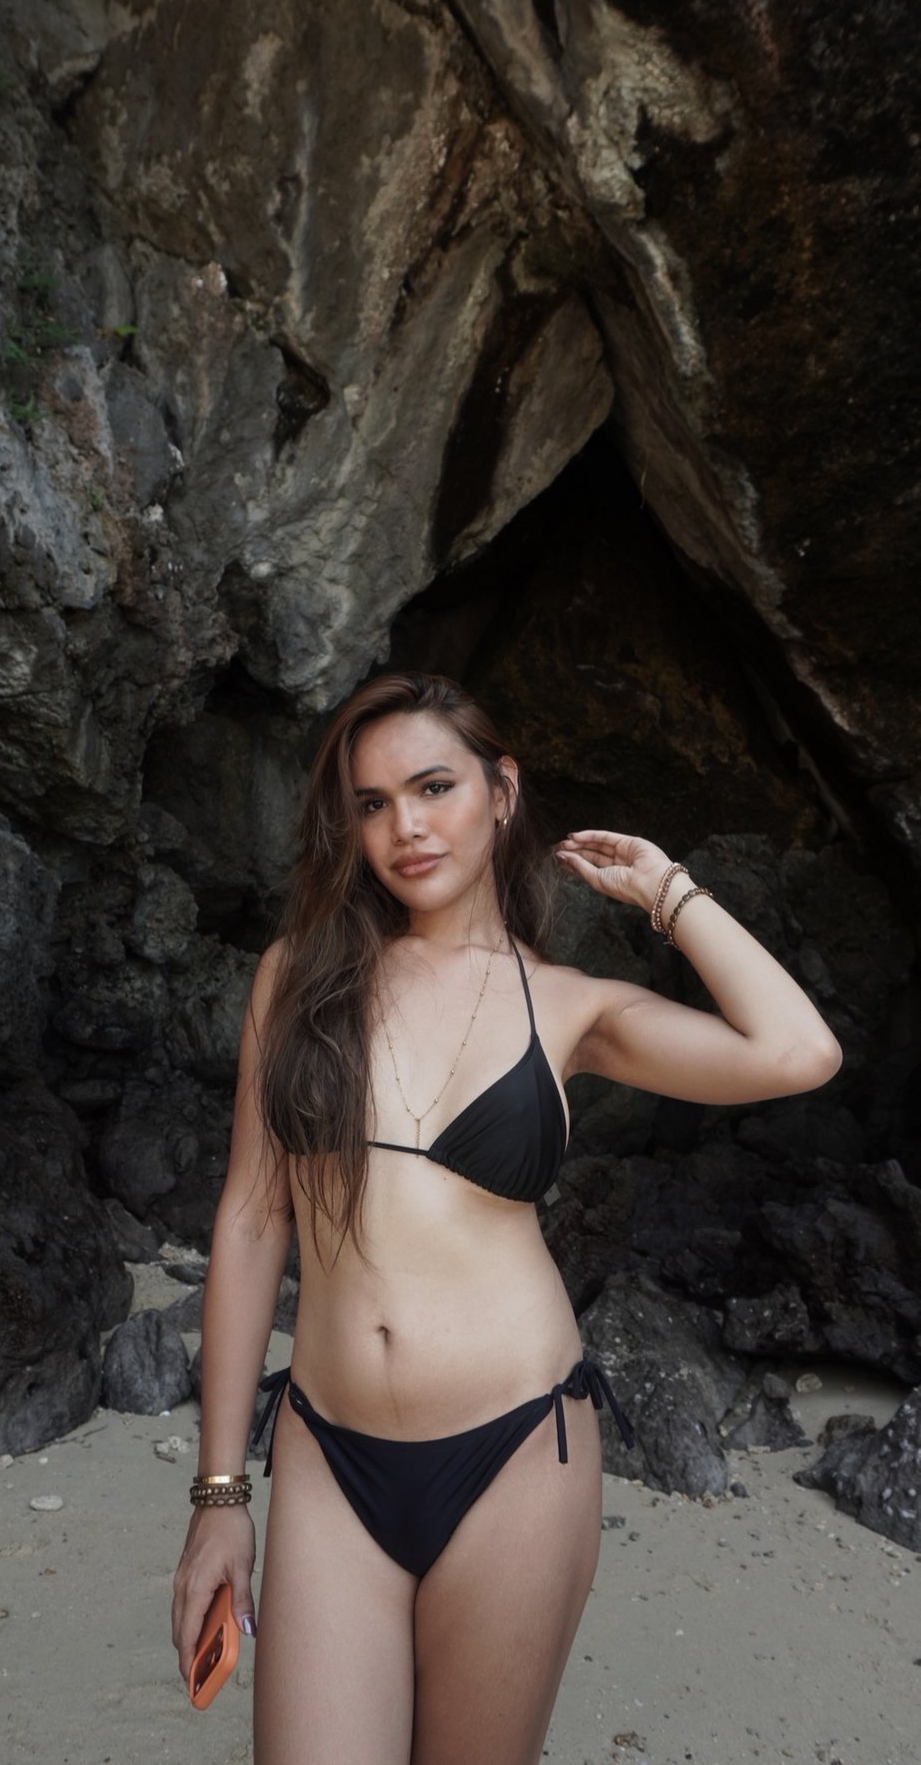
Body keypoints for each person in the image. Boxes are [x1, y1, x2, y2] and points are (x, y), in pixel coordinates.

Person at [171, 670, 841, 1764]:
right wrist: (218, 1496)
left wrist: (668, 891)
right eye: (374, 803)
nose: (406, 826)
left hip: (520, 1453)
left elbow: (798, 1052)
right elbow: (251, 1223)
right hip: (330, 1459)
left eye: (434, 787)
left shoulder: (569, 1007)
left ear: (503, 791)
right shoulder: (296, 981)